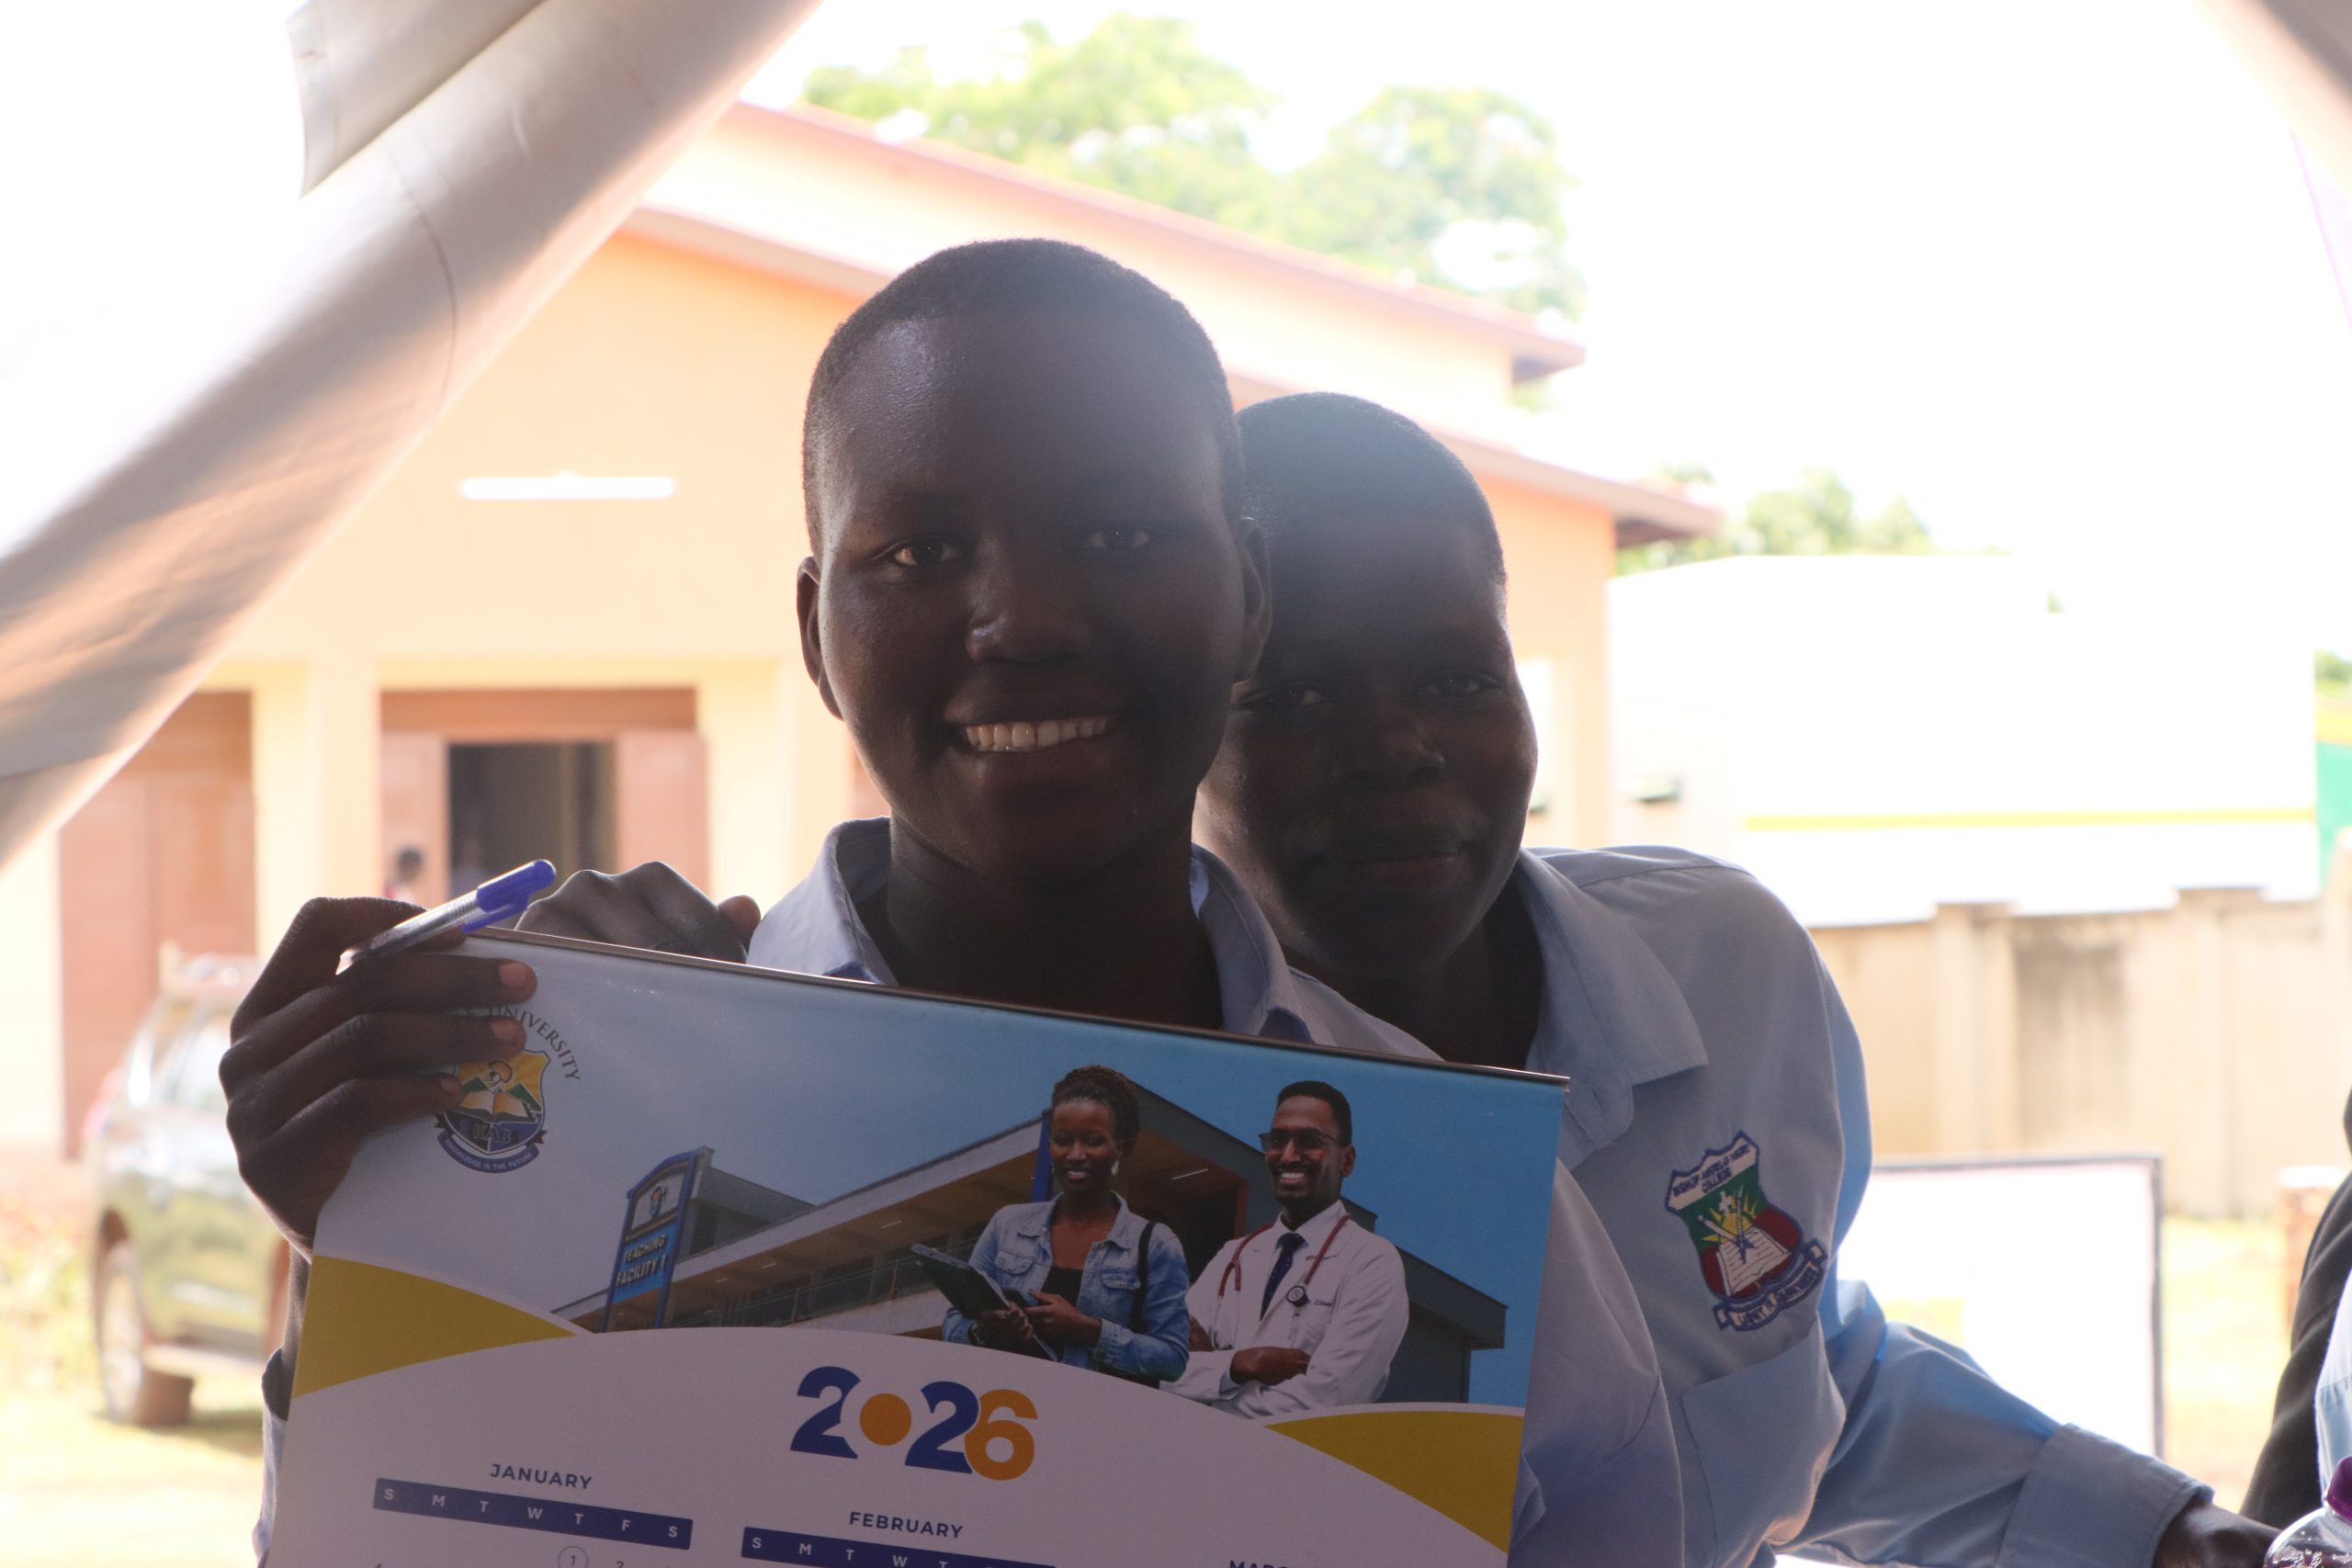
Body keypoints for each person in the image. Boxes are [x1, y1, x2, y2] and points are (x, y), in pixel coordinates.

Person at [221, 241, 1679, 1564]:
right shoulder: (580, 1085)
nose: (1024, 619)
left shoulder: (1471, 1194)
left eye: (1121, 533)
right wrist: (375, 1259)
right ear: (817, 633)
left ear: (1246, 594)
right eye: (917, 552)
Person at [1194, 389, 2275, 1568]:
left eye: (1457, 679)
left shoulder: (1728, 975)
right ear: (1185, 734)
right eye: (1293, 697)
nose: (1395, 748)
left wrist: (2160, 1534)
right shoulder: (1161, 1104)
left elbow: (1792, 1376)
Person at [1170, 1080, 1406, 1416]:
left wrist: (1210, 1386)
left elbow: (1325, 1403)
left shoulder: (1372, 1262)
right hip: (1209, 1448)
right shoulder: (1233, 1256)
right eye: (1278, 1141)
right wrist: (1239, 1364)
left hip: (1297, 1450)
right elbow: (1161, 1371)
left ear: (1347, 1160)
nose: (1289, 1156)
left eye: (1310, 1141)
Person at [944, 1066, 1190, 1384]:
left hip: (1095, 1411)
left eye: (1093, 1141)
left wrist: (1091, 1331)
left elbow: (1173, 1359)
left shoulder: (1155, 1244)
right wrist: (983, 1331)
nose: (1075, 1154)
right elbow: (952, 1324)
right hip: (1008, 1404)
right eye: (1062, 1140)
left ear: (1122, 1145)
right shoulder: (1007, 1225)